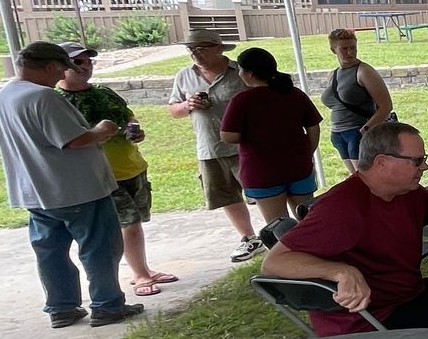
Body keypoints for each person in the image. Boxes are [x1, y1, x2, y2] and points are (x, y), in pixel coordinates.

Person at [263, 121, 428, 336]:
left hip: (407, 295)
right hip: (367, 321)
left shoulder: (407, 192)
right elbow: (274, 262)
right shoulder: (342, 207)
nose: (425, 166)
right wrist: (340, 271)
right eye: (417, 161)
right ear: (381, 162)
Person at [0, 41, 141, 329]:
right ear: (49, 67)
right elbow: (73, 140)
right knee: (100, 248)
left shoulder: (3, 96)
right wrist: (102, 129)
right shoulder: (43, 96)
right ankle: (107, 305)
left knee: (51, 252)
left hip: (36, 191)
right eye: (61, 68)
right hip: (76, 189)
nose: (62, 74)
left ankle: (62, 308)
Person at [59, 43, 177, 298]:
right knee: (128, 223)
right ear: (60, 66)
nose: (86, 66)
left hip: (132, 167)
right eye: (78, 62)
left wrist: (135, 129)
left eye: (89, 61)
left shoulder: (104, 93)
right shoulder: (59, 101)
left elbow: (128, 117)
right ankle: (140, 275)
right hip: (100, 175)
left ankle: (142, 268)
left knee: (136, 222)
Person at [166, 36, 260, 263]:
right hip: (209, 147)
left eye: (200, 48)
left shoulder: (240, 72)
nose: (195, 53)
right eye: (191, 49)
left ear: (218, 48)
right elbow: (173, 110)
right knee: (226, 196)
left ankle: (279, 232)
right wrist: (187, 105)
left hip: (246, 145)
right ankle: (249, 238)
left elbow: (261, 99)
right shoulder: (184, 75)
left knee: (264, 191)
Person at [219, 47, 323, 228]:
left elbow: (228, 136)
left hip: (262, 172)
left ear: (250, 73)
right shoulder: (294, 93)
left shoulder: (242, 100)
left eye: (241, 69)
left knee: (279, 227)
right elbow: (314, 127)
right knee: (309, 223)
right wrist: (308, 151)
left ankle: (287, 248)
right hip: (299, 166)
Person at [321, 28, 393, 172]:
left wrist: (365, 130)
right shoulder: (333, 74)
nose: (350, 52)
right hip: (338, 133)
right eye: (344, 49)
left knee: (366, 176)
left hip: (357, 131)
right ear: (333, 50)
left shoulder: (364, 71)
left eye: (353, 47)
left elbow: (386, 106)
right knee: (356, 178)